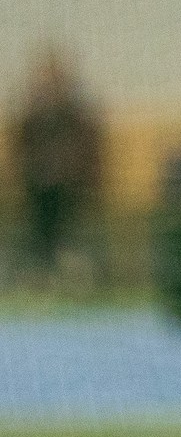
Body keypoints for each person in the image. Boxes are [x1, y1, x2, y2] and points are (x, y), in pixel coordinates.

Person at [13, 46, 105, 285]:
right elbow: (23, 148)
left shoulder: (76, 114)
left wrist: (80, 175)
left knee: (70, 229)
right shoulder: (33, 115)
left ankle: (71, 274)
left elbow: (88, 149)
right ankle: (43, 272)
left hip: (71, 186)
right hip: (40, 186)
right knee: (42, 230)